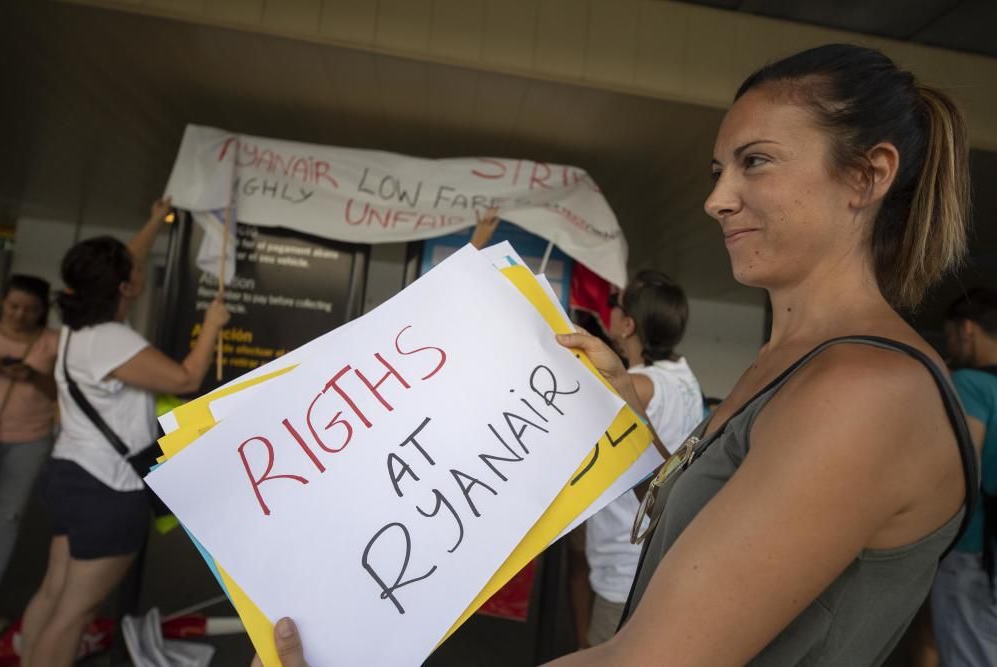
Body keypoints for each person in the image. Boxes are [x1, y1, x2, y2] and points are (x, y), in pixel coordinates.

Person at [253, 43, 975, 667]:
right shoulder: (800, 361)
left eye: (756, 162)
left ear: (867, 175)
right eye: (717, 169)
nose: (717, 198)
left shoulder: (865, 388)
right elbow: (711, 528)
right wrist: (615, 416)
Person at [20, 197, 230, 667]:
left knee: (54, 594)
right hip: (108, 490)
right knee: (75, 613)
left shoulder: (78, 329)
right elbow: (185, 379)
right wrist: (212, 326)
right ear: (125, 287)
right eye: (130, 271)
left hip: (70, 476)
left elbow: (122, 264)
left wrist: (157, 218)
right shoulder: (113, 340)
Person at [569, 271, 703, 647]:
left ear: (627, 325)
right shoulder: (681, 373)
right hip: (651, 554)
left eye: (615, 305)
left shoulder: (638, 385)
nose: (607, 310)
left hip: (625, 559)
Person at [931, 287, 997, 666]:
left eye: (951, 335)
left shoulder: (971, 385)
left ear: (967, 330)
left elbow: (958, 473)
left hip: (975, 553)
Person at [0, 276, 59, 593]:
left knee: (7, 516)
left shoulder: (53, 342)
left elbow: (60, 393)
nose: (20, 315)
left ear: (42, 311)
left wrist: (33, 376)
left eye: (30, 309)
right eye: (14, 307)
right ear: (3, 303)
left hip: (30, 438)